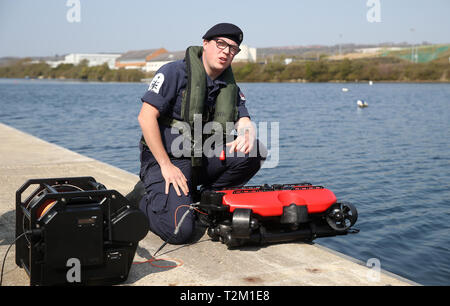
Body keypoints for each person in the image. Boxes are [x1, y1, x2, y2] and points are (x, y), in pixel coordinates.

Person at [135, 23, 265, 244]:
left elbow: (243, 118)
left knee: (255, 150)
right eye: (221, 44)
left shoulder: (227, 84)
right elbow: (145, 118)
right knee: (180, 232)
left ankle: (204, 199)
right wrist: (167, 166)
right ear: (205, 44)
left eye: (233, 48)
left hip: (201, 159)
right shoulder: (173, 72)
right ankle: (142, 201)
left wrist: (247, 132)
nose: (226, 52)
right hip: (167, 161)